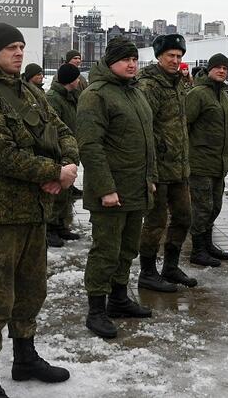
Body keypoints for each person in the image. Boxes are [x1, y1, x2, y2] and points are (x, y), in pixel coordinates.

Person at [0, 23, 77, 395]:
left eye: (22, 46)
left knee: (31, 292)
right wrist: (53, 171)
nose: (19, 53)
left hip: (35, 209)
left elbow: (63, 131)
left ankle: (25, 358)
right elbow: (1, 155)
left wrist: (68, 167)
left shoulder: (29, 91)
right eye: (11, 47)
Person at [77, 36, 155, 339]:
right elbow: (90, 146)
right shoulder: (96, 95)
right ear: (110, 62)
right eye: (125, 59)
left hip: (137, 188)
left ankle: (119, 299)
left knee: (127, 249)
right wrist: (105, 188)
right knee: (106, 251)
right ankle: (96, 309)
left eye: (134, 59)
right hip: (111, 192)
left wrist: (152, 178)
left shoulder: (135, 93)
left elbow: (149, 140)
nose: (132, 64)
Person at [136, 34, 196, 292]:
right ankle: (148, 273)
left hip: (179, 167)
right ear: (159, 57)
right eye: (170, 56)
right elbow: (143, 129)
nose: (175, 60)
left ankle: (170, 266)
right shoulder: (149, 86)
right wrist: (148, 171)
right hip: (158, 169)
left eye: (179, 56)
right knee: (155, 222)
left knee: (184, 216)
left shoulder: (178, 83)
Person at [185, 54, 228, 267]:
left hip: (219, 163)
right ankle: (197, 250)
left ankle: (207, 244)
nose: (222, 71)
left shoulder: (224, 95)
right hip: (200, 162)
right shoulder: (198, 94)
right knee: (201, 208)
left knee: (214, 207)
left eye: (225, 68)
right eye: (218, 67)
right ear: (209, 70)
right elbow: (184, 125)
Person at [44, 63, 84, 246]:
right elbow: (51, 127)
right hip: (56, 151)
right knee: (56, 192)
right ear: (71, 80)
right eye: (76, 78)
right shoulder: (53, 98)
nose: (79, 81)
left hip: (69, 149)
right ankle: (50, 228)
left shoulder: (70, 96)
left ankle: (60, 225)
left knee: (65, 192)